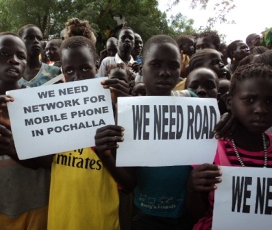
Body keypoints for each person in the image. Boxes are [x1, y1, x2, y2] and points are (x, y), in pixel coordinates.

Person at [0, 36, 129, 230]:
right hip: (60, 219)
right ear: (62, 71)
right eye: (69, 70)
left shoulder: (114, 112)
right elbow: (46, 163)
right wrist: (15, 131)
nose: (77, 77)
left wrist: (122, 112)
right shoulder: (56, 114)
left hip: (102, 220)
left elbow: (129, 184)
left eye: (85, 68)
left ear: (96, 65)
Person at [95, 35, 197, 230]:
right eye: (156, 64)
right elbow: (130, 183)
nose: (165, 72)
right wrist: (105, 155)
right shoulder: (129, 114)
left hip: (188, 213)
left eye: (174, 66)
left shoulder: (191, 103)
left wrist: (230, 120)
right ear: (143, 69)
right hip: (146, 217)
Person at [187, 63, 272, 230]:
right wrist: (192, 186)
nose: (261, 109)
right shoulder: (209, 150)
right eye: (249, 100)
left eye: (270, 101)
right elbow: (198, 212)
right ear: (229, 102)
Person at [0, 32, 50, 230]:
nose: (13, 59)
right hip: (1, 202)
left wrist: (12, 147)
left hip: (39, 200)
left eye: (21, 56)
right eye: (4, 53)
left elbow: (46, 162)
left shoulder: (38, 102)